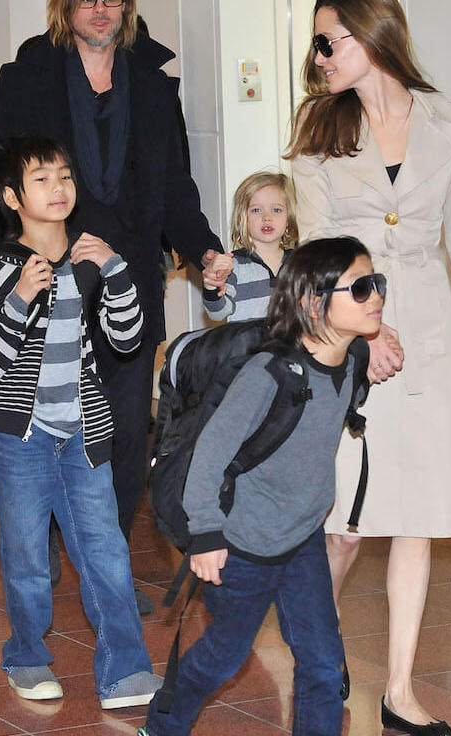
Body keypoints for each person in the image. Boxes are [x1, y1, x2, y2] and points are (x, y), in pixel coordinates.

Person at [0, 0, 230, 612]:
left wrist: (203, 250)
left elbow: (176, 185)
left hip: (126, 284)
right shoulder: (30, 77)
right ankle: (53, 547)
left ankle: (107, 570)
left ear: (127, 5)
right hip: (46, 284)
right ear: (68, 7)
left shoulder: (151, 86)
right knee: (45, 432)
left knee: (122, 434)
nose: (101, 9)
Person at [285, 0, 451, 735]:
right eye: (318, 43)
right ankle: (319, 669)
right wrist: (367, 329)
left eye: (331, 40)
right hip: (345, 341)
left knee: (416, 520)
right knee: (344, 524)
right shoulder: (317, 132)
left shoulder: (449, 121)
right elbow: (318, 255)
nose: (319, 56)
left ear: (373, 37)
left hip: (425, 342)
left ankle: (399, 692)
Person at [140, 236, 382, 736]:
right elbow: (210, 453)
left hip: (302, 541)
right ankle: (163, 725)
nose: (375, 296)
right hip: (240, 547)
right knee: (223, 659)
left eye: (376, 284)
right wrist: (205, 534)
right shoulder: (267, 374)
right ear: (316, 303)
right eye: (360, 288)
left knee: (321, 662)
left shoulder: (352, 361)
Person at [0, 135, 160, 709]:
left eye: (64, 176)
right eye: (41, 179)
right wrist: (21, 299)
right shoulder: (0, 270)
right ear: (12, 197)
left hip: (83, 431)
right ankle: (26, 658)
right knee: (27, 555)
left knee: (105, 550)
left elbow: (127, 340)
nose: (58, 187)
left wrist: (116, 269)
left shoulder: (89, 258)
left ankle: (125, 671)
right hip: (19, 438)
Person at [202, 171, 296, 323]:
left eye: (276, 210)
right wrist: (212, 287)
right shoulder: (234, 265)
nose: (267, 217)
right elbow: (218, 314)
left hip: (290, 346)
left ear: (289, 219)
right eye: (256, 210)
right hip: (249, 346)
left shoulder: (299, 263)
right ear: (242, 219)